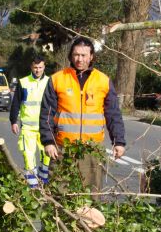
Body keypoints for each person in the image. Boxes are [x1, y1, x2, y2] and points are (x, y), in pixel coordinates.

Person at [39, 37, 126, 190]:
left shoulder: (103, 81)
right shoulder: (57, 79)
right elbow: (46, 114)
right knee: (59, 195)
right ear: (71, 56)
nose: (79, 59)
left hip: (92, 150)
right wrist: (48, 142)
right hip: (62, 149)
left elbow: (113, 114)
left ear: (91, 56)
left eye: (84, 55)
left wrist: (118, 141)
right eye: (76, 55)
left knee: (90, 198)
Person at [9, 56, 51, 188]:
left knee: (47, 156)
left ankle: (44, 184)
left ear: (44, 67)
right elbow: (16, 102)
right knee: (28, 156)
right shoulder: (23, 82)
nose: (37, 70)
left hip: (46, 127)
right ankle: (33, 188)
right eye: (35, 67)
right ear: (31, 67)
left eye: (40, 67)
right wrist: (13, 121)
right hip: (27, 128)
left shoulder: (50, 82)